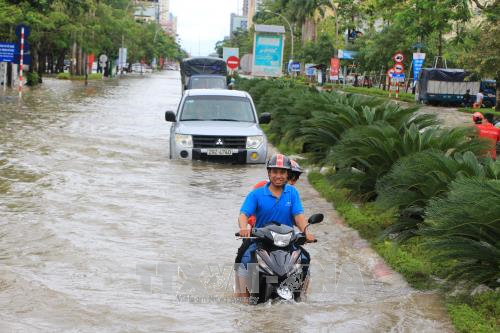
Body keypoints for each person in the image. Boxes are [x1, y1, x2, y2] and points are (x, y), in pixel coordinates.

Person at [234, 154, 315, 299]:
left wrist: (306, 232)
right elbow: (243, 214)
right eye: (275, 172)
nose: (279, 176)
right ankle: (243, 299)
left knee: (305, 259)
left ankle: (302, 297)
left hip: (287, 241)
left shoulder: (292, 193)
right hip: (260, 241)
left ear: (287, 174)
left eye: (282, 172)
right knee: (244, 258)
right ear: (269, 173)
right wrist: (243, 228)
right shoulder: (256, 194)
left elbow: (299, 216)